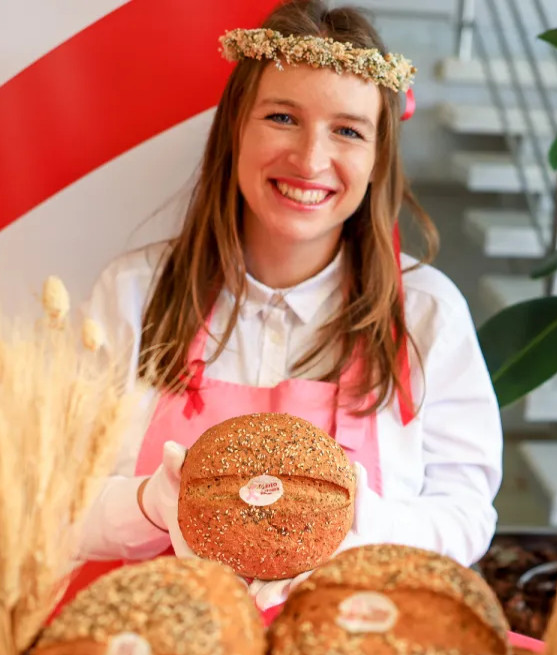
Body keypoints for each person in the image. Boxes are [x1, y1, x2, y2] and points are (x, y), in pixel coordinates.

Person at [71, 0, 502, 621]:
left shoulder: (428, 313)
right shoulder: (133, 293)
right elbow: (56, 502)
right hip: (164, 647)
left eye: (348, 130)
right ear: (234, 129)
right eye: (282, 117)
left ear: (378, 157)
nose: (310, 159)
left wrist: (357, 520)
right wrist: (149, 503)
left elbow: (464, 513)